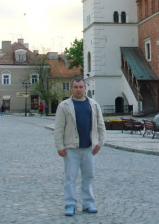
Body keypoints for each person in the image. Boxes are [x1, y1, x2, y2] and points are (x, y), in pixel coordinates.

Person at [54, 78, 105, 217]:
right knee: (70, 176)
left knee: (88, 176)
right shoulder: (64, 106)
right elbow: (58, 128)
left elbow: (101, 125)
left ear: (85, 88)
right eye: (75, 87)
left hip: (88, 147)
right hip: (71, 147)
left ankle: (88, 203)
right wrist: (59, 146)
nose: (78, 89)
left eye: (80, 87)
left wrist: (99, 143)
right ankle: (70, 203)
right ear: (72, 88)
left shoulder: (93, 105)